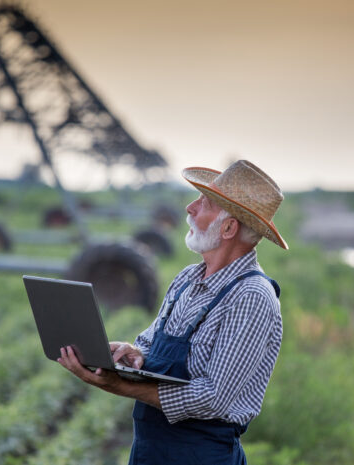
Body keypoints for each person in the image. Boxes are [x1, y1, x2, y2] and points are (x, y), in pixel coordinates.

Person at [57, 159, 288, 464]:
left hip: (203, 456)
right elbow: (151, 344)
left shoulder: (251, 296)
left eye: (203, 203)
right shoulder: (187, 278)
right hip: (149, 451)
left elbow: (213, 399)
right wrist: (134, 354)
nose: (189, 208)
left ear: (229, 227)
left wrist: (122, 386)